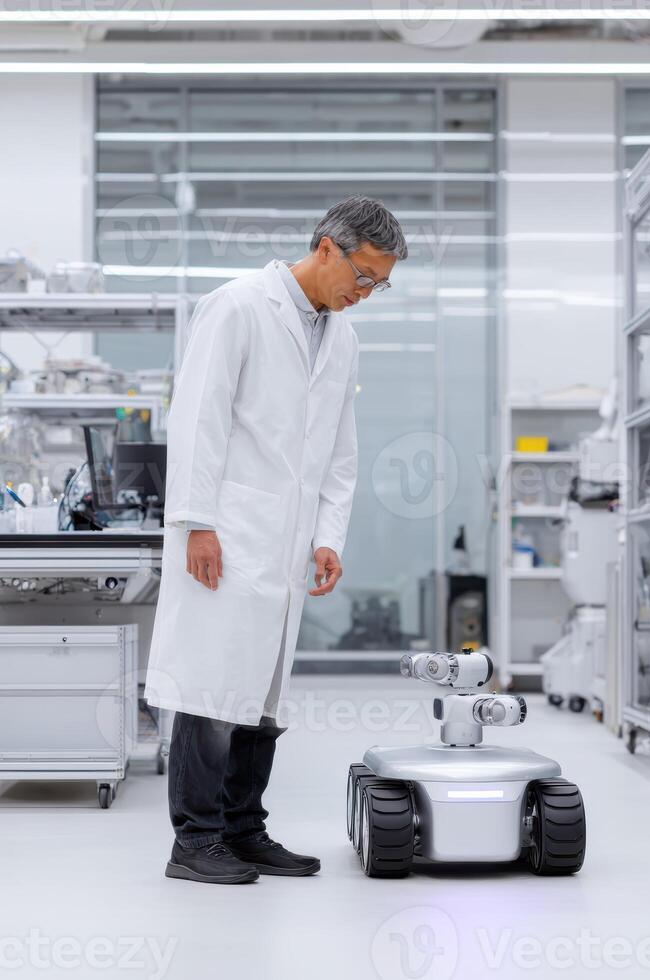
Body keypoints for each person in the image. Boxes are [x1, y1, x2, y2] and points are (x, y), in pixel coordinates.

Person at [144, 196, 408, 885]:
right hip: (228, 534)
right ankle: (194, 842)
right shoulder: (236, 308)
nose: (366, 293)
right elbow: (199, 417)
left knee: (263, 693)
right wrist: (197, 523)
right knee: (211, 687)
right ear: (327, 247)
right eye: (364, 276)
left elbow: (338, 452)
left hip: (286, 545)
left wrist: (328, 537)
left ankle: (242, 829)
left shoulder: (339, 336)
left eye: (379, 284)